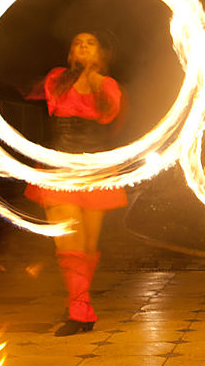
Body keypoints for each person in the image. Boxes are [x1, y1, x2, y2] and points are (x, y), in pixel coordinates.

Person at [24, 31, 127, 336]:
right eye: (76, 43)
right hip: (59, 170)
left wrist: (95, 77)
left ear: (101, 54)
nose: (82, 46)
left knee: (88, 247)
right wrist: (83, 74)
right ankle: (80, 311)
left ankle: (77, 299)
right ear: (70, 54)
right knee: (70, 243)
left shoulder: (107, 85)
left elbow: (109, 114)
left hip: (95, 172)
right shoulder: (57, 79)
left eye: (89, 43)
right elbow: (55, 103)